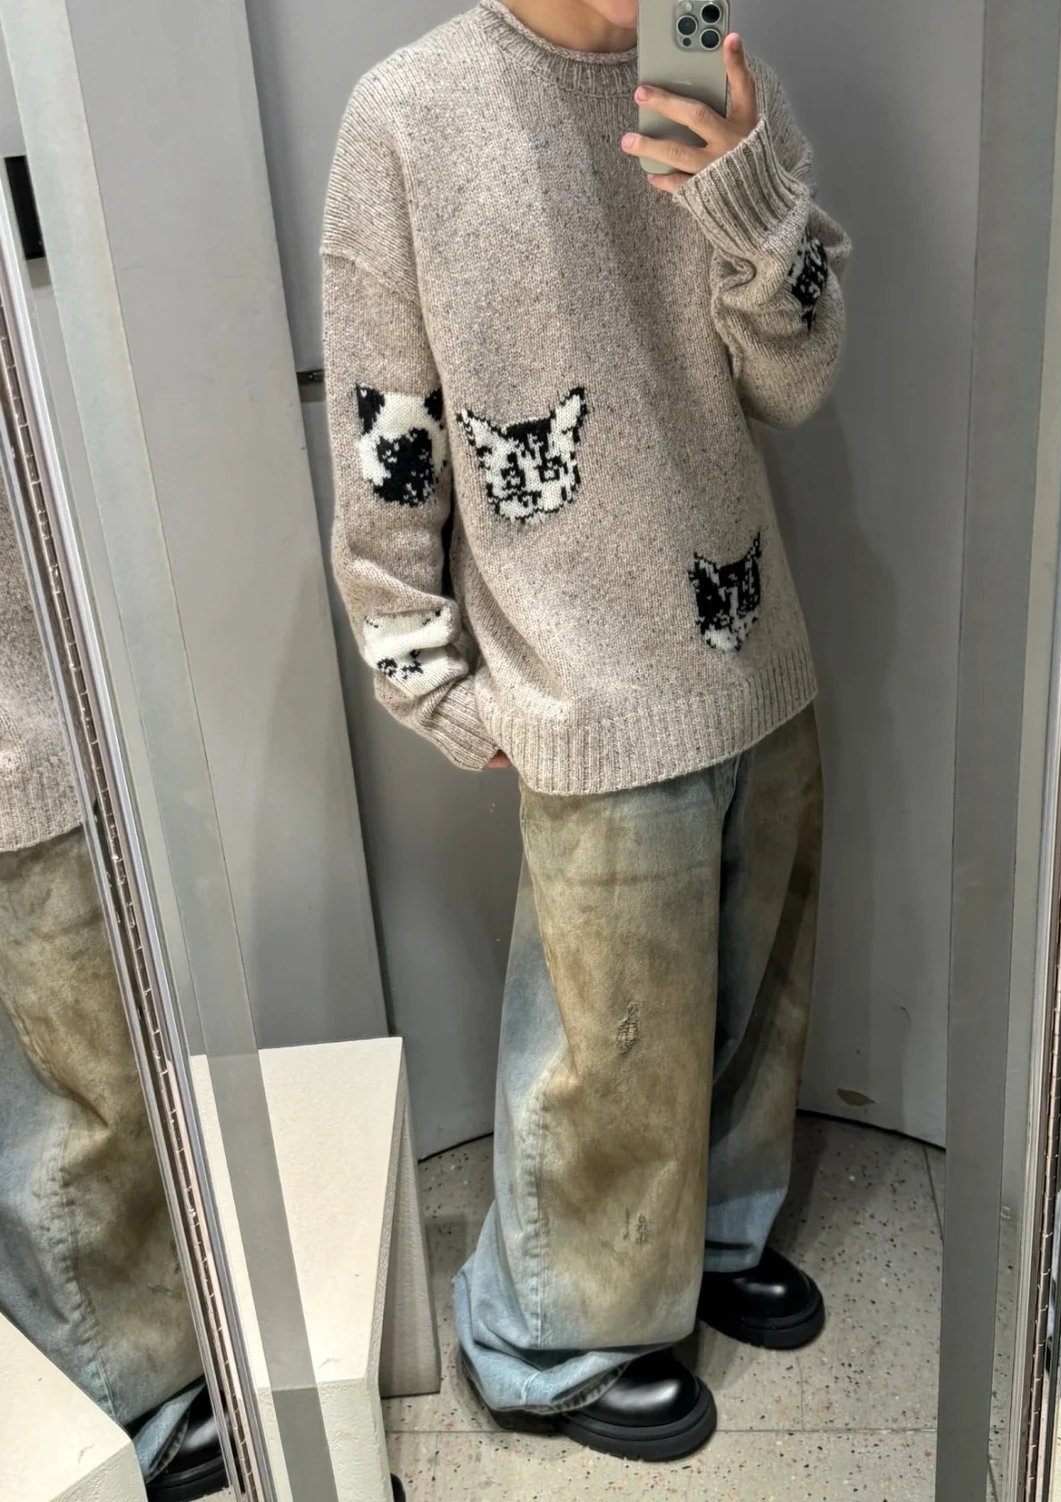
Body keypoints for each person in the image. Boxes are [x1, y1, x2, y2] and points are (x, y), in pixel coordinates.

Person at [322, 0, 849, 1462]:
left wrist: (747, 192)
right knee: (604, 1047)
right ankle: (550, 1335)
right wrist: (423, 670)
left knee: (753, 999)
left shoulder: (712, 70)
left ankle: (713, 1238)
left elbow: (795, 379)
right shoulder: (409, 114)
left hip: (753, 640)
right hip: (578, 683)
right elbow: (386, 423)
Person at [0, 472, 225, 1499]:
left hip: (41, 709)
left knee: (83, 1083)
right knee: (85, 1098)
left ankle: (116, 1365)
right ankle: (126, 1387)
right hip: (21, 738)